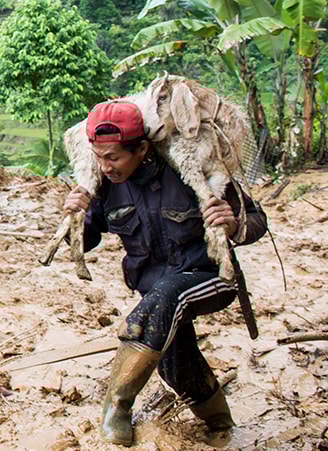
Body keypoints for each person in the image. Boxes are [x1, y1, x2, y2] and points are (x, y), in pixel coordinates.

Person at [62, 99, 267, 446]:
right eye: (99, 156)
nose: (105, 166)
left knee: (168, 295)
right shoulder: (104, 186)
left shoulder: (194, 170)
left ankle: (117, 406)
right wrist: (73, 216)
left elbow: (258, 220)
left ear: (141, 149)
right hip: (156, 297)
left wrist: (232, 226)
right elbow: (85, 240)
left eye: (113, 157)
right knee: (177, 365)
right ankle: (222, 426)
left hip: (210, 279)